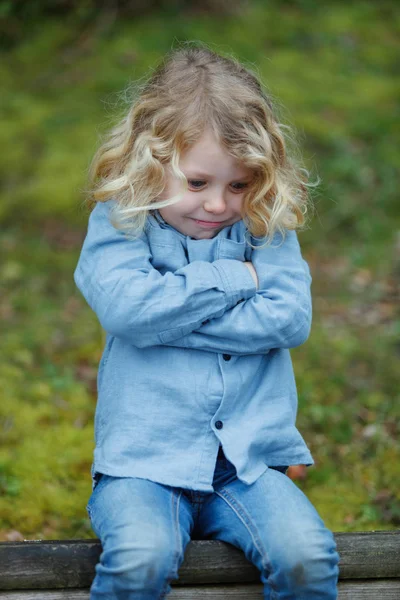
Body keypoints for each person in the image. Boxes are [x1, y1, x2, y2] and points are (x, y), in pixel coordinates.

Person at [74, 44, 339, 599]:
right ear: (150, 162)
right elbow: (127, 311)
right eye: (197, 183)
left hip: (246, 468)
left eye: (238, 185)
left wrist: (163, 320)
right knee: (141, 559)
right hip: (140, 466)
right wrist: (238, 281)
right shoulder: (121, 224)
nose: (218, 204)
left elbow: (289, 319)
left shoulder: (267, 228)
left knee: (306, 558)